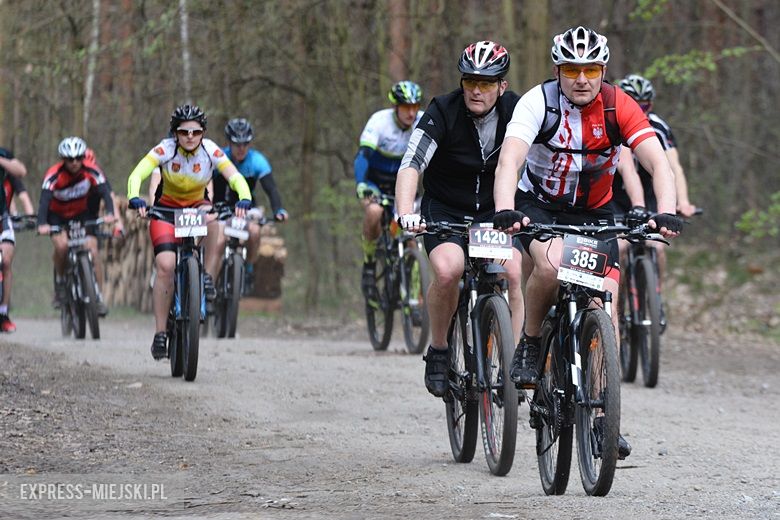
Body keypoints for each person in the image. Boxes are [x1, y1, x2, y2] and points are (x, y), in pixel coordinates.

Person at [491, 26, 685, 459]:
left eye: (591, 69)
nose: (582, 78)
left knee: (605, 308)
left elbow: (657, 161)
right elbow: (510, 158)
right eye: (572, 69)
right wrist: (505, 207)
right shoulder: (537, 103)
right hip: (538, 205)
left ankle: (603, 420)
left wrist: (666, 210)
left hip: (597, 212)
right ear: (558, 71)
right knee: (550, 266)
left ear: (603, 70)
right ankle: (533, 340)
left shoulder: (619, 105)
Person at [395, 41, 524, 398]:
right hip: (445, 210)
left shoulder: (517, 111)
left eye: (487, 83)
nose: (477, 91)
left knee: (513, 271)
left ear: (502, 85)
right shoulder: (442, 110)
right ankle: (438, 349)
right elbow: (412, 163)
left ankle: (514, 365)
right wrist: (406, 212)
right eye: (470, 82)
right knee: (449, 269)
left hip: (491, 213)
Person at [126, 104, 252, 360]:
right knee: (165, 266)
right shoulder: (165, 149)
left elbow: (235, 176)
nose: (190, 137)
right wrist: (134, 197)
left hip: (198, 206)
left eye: (195, 132)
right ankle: (161, 332)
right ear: (176, 133)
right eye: (184, 132)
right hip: (166, 212)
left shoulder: (210, 150)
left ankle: (205, 276)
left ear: (203, 132)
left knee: (216, 222)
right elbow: (137, 174)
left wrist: (244, 198)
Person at [615, 74, 698, 326]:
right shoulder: (614, 120)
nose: (640, 110)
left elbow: (674, 168)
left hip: (651, 192)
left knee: (658, 246)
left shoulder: (658, 127)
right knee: (619, 248)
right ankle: (615, 305)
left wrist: (682, 202)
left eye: (645, 106)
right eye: (634, 103)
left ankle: (655, 298)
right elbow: (625, 168)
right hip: (617, 193)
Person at [355, 80, 423, 301]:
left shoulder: (423, 122)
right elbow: (363, 156)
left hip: (404, 186)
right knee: (374, 212)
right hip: (375, 182)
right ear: (395, 106)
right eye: (406, 107)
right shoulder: (379, 121)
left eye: (414, 106)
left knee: (411, 235)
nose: (411, 112)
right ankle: (369, 263)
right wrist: (362, 185)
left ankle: (413, 299)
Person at [204, 117, 288, 292]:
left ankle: (249, 268)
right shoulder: (219, 158)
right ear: (229, 143)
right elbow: (206, 184)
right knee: (218, 241)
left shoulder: (257, 161)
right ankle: (209, 284)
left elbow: (271, 189)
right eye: (236, 144)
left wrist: (278, 209)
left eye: (245, 144)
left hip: (246, 209)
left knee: (255, 232)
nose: (241, 148)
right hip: (220, 208)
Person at [37, 137, 115, 316]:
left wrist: (110, 213)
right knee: (62, 246)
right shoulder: (53, 175)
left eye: (79, 158)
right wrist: (42, 224)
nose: (75, 163)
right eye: (70, 159)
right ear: (63, 160)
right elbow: (44, 201)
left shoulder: (91, 170)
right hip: (57, 216)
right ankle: (61, 282)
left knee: (93, 250)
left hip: (81, 214)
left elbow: (105, 191)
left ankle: (98, 296)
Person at [0, 146, 30, 332]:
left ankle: (3, 312)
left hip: (2, 218)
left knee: (6, 260)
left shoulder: (3, 155)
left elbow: (21, 171)